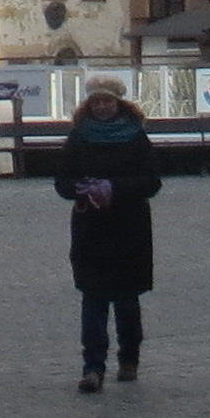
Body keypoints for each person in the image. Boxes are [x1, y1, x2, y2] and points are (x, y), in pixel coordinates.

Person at [55, 78, 162, 391]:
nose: (102, 107)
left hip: (129, 229)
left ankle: (129, 359)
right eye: (97, 102)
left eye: (108, 102)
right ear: (89, 105)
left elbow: (152, 181)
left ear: (119, 104)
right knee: (94, 300)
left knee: (127, 301)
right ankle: (93, 368)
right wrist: (81, 188)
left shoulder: (136, 138)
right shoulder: (78, 138)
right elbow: (62, 181)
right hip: (91, 231)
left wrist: (114, 188)